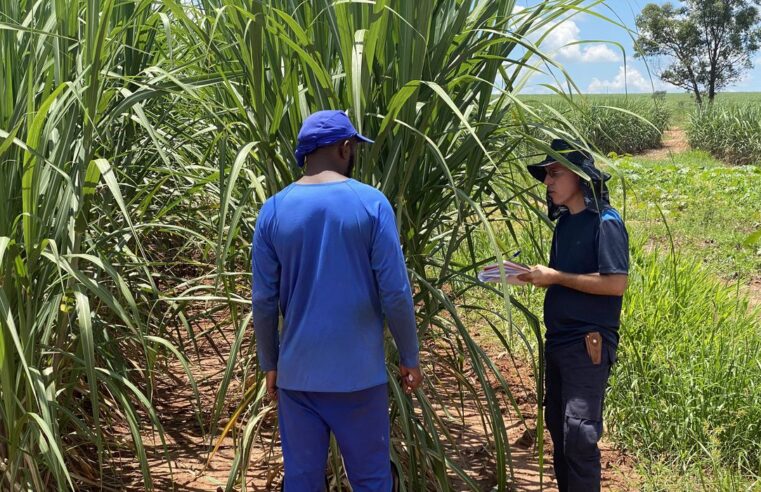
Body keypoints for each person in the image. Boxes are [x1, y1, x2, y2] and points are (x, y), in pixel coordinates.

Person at [251, 110, 422, 491]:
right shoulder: (371, 203)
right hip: (359, 378)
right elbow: (395, 293)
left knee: (302, 480)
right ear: (346, 147)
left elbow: (263, 300)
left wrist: (271, 362)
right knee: (371, 480)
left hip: (298, 378)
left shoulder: (274, 210)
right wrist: (410, 356)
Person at [518, 139, 629, 492]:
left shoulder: (606, 222)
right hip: (559, 343)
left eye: (554, 173)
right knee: (559, 429)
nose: (547, 182)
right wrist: (537, 276)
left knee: (579, 435)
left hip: (587, 345)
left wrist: (556, 277)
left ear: (580, 177)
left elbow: (615, 283)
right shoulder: (565, 224)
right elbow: (568, 279)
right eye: (546, 175)